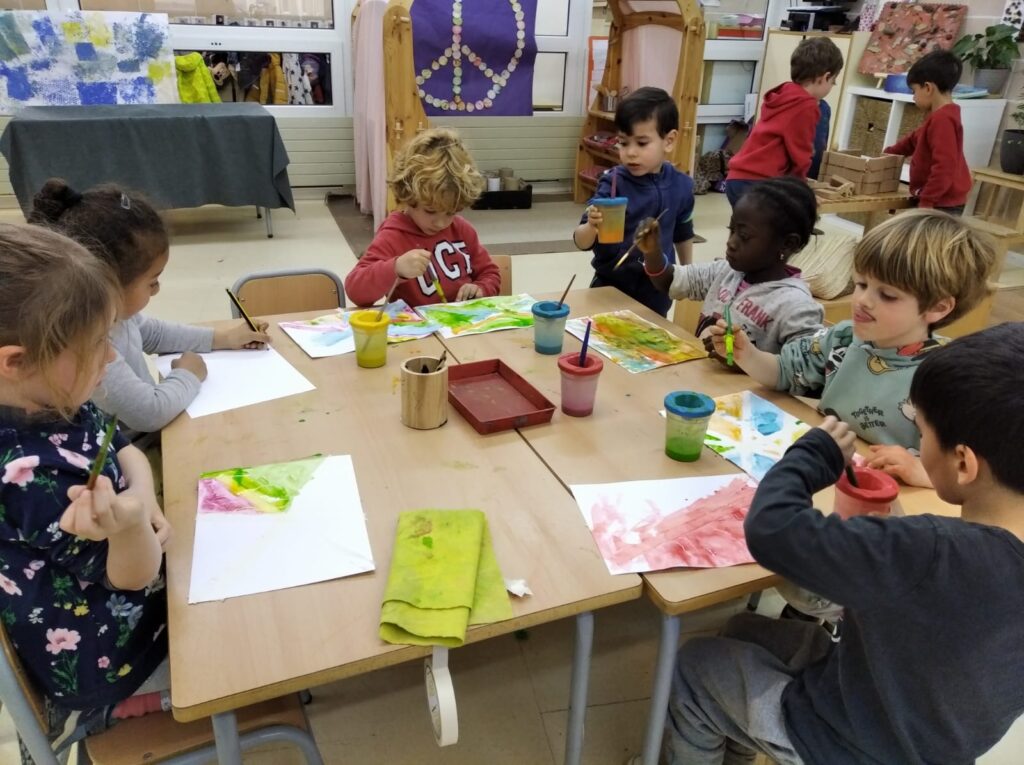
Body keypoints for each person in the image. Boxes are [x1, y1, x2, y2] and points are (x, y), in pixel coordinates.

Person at [658, 323, 1024, 765]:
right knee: (744, 630)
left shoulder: (934, 551)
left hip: (849, 742)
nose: (917, 448)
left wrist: (813, 454)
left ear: (964, 463)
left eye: (922, 436)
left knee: (696, 668)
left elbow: (772, 529)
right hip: (923, 726)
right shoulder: (952, 551)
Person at [0, 224, 170, 742]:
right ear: (15, 360)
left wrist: (141, 498)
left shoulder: (50, 396)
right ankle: (114, 712)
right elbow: (132, 575)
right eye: (97, 343)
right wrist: (133, 524)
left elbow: (122, 448)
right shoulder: (31, 477)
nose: (112, 356)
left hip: (134, 578)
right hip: (113, 653)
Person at [708, 209, 995, 488]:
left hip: (892, 497)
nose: (863, 300)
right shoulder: (844, 339)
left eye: (887, 295)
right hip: (826, 471)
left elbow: (978, 471)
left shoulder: (950, 376)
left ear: (938, 307)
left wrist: (924, 473)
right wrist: (747, 354)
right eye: (861, 284)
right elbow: (784, 372)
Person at [29, 180, 270, 440]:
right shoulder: (89, 349)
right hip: (134, 448)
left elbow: (153, 333)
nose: (157, 290)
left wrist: (223, 338)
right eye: (152, 281)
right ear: (107, 285)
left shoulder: (115, 315)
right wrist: (188, 373)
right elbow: (150, 413)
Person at [641, 176, 823, 354]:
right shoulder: (725, 272)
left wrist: (743, 359)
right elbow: (668, 281)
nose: (731, 242)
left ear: (788, 244)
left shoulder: (796, 307)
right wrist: (652, 251)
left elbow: (808, 366)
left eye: (744, 236)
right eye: (732, 230)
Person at [573, 86, 696, 317]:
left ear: (669, 141)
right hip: (609, 287)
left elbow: (683, 232)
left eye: (641, 143)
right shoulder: (612, 183)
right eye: (623, 142)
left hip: (657, 290)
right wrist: (591, 225)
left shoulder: (682, 185)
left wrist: (688, 272)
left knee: (650, 336)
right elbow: (581, 241)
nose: (630, 152)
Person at [345, 127, 501, 308]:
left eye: (450, 212)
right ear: (409, 196)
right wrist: (395, 268)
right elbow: (355, 290)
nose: (441, 223)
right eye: (430, 211)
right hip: (418, 325)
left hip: (463, 323)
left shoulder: (463, 230)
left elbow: (490, 274)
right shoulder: (393, 235)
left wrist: (480, 288)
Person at [725, 37, 844, 206]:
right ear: (825, 77)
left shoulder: (784, 94)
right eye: (833, 82)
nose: (832, 86)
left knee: (746, 224)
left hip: (737, 178)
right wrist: (801, 192)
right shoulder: (806, 105)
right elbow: (801, 155)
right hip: (759, 183)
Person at [884, 50, 972, 214]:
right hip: (938, 199)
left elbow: (944, 166)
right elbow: (915, 139)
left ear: (928, 88)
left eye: (914, 91)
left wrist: (926, 202)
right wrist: (889, 153)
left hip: (941, 203)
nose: (913, 97)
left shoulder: (943, 120)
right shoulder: (940, 116)